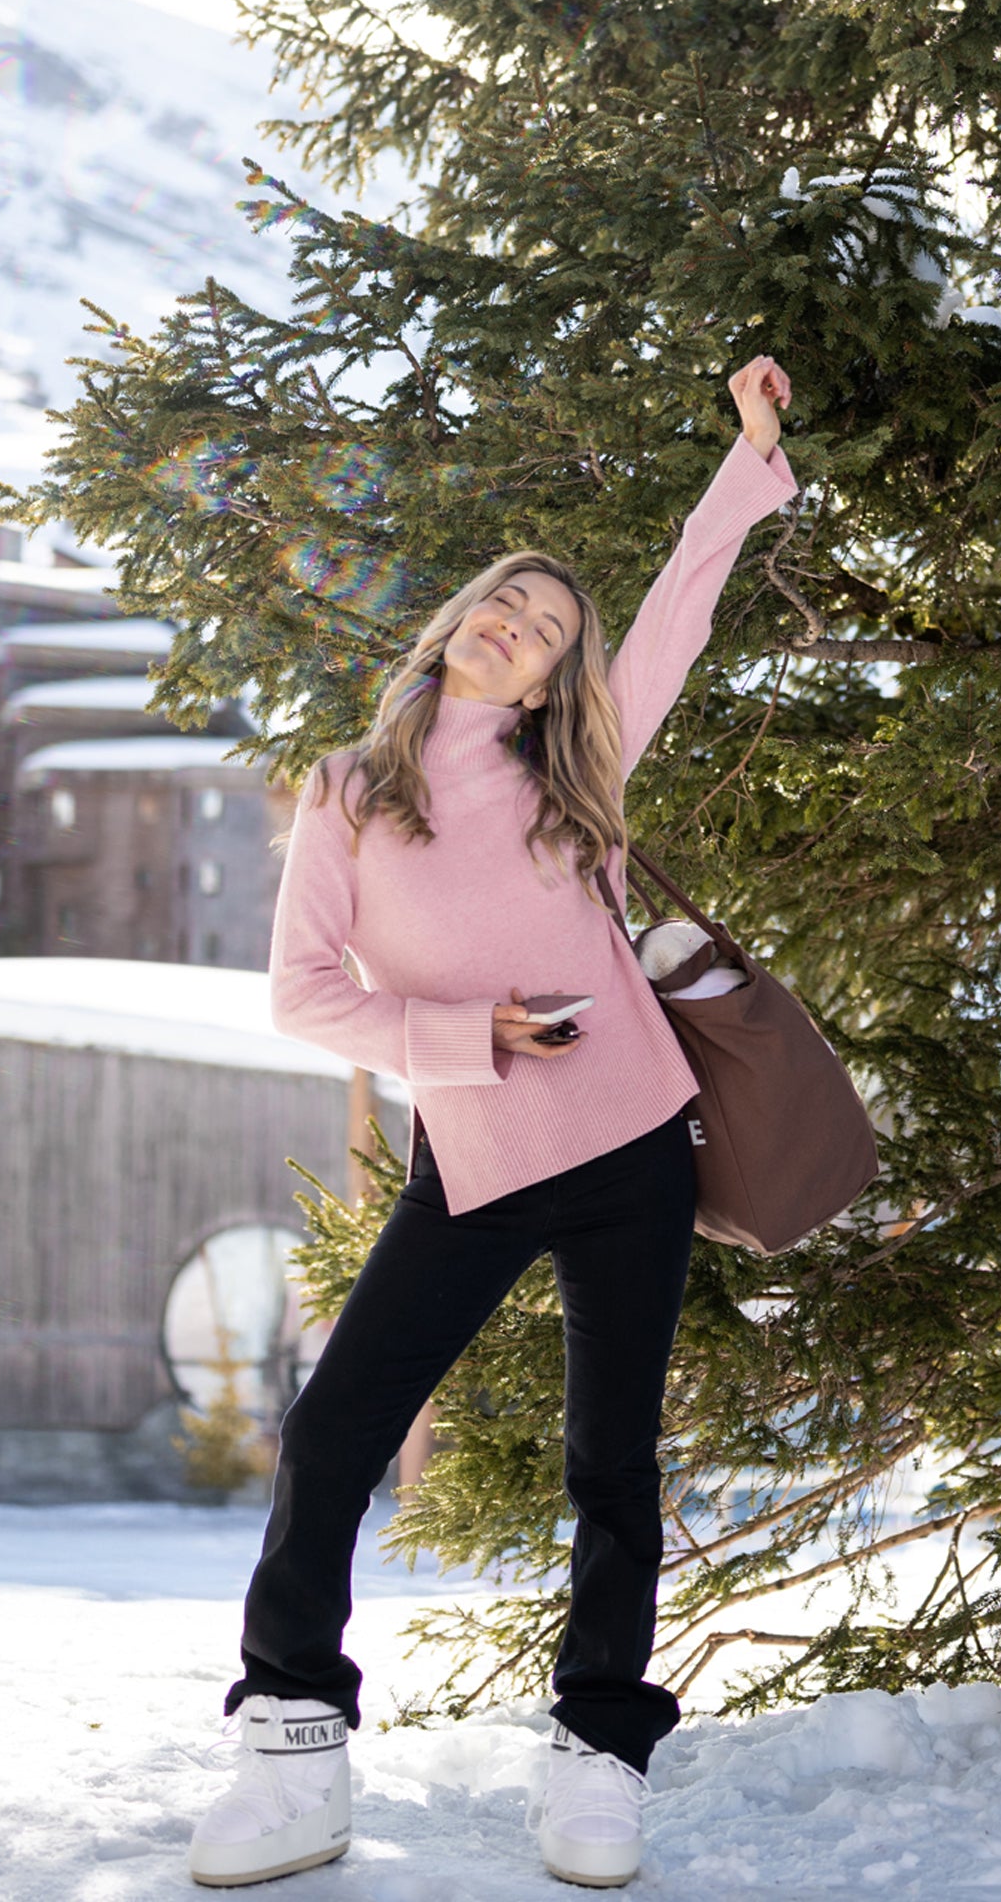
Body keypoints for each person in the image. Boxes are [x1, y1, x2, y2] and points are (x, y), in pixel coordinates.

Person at [188, 357, 798, 1891]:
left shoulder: (573, 778)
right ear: (458, 625)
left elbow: (678, 610)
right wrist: (461, 1040)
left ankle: (598, 1756)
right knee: (332, 1432)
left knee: (614, 1463)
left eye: (545, 630)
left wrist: (749, 455)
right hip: (473, 1160)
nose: (516, 625)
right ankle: (292, 1743)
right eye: (503, 603)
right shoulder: (348, 790)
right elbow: (301, 994)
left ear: (545, 682)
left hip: (634, 1146)